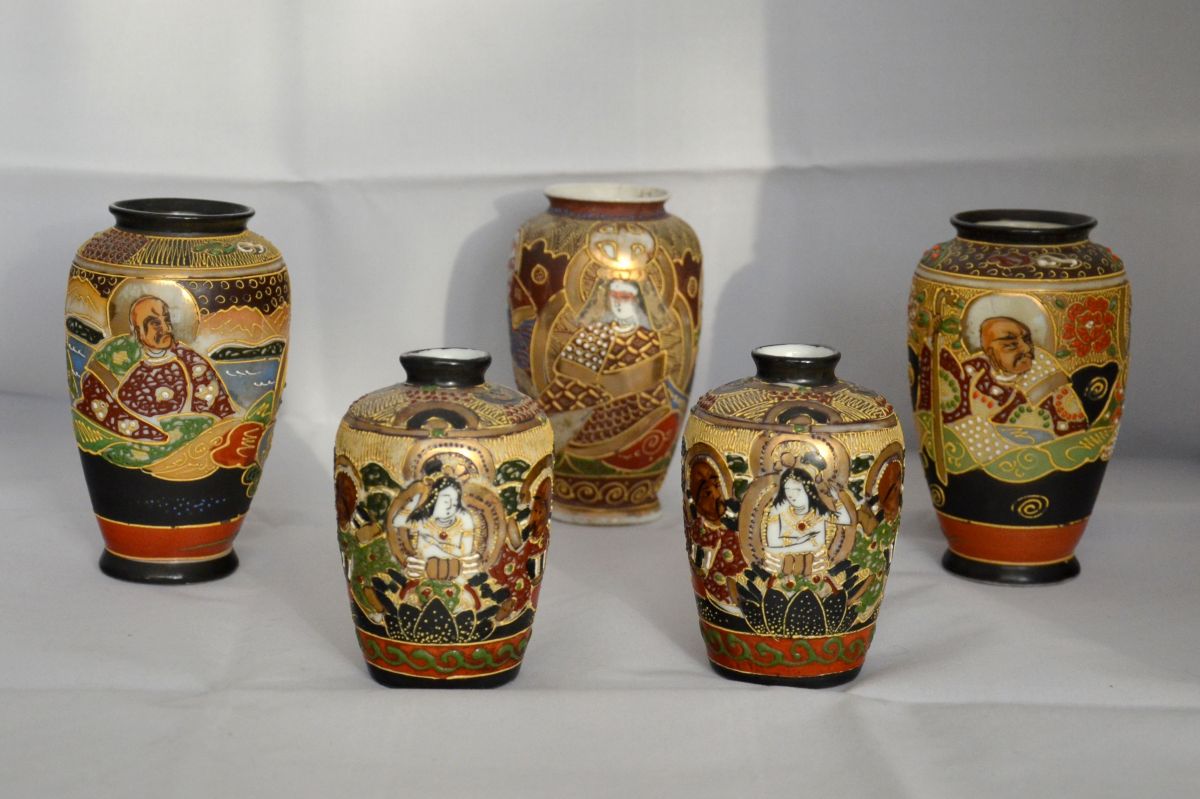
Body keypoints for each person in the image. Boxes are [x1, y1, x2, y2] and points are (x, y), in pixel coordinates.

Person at [919, 315, 1087, 463]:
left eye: (1027, 340)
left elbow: (1073, 431)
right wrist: (932, 341)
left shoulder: (1044, 369)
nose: (1026, 349)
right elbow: (948, 403)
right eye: (1011, 345)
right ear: (989, 351)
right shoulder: (976, 370)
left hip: (1042, 459)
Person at [75, 295, 236, 442]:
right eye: (155, 324)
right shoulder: (122, 355)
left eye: (167, 321)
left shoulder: (189, 360)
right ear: (138, 332)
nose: (166, 329)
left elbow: (221, 413)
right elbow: (95, 388)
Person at [538, 278, 669, 454]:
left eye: (625, 297)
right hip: (587, 395)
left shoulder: (647, 338)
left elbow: (651, 385)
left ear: (637, 301)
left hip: (630, 405)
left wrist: (612, 386)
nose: (618, 303)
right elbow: (569, 369)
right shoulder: (595, 332)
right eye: (614, 297)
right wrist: (592, 382)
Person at [763, 466, 852, 579]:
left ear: (808, 490)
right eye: (787, 489)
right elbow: (771, 547)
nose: (791, 495)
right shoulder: (779, 512)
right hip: (780, 569)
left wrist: (836, 500)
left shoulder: (818, 512)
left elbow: (845, 520)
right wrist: (804, 542)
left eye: (797, 490)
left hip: (816, 570)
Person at [398, 476, 481, 580]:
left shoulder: (465, 519)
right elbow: (397, 522)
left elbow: (464, 554)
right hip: (427, 574)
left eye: (454, 503)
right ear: (434, 499)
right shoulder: (422, 520)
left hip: (456, 574)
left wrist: (435, 543)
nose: (450, 507)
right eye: (445, 501)